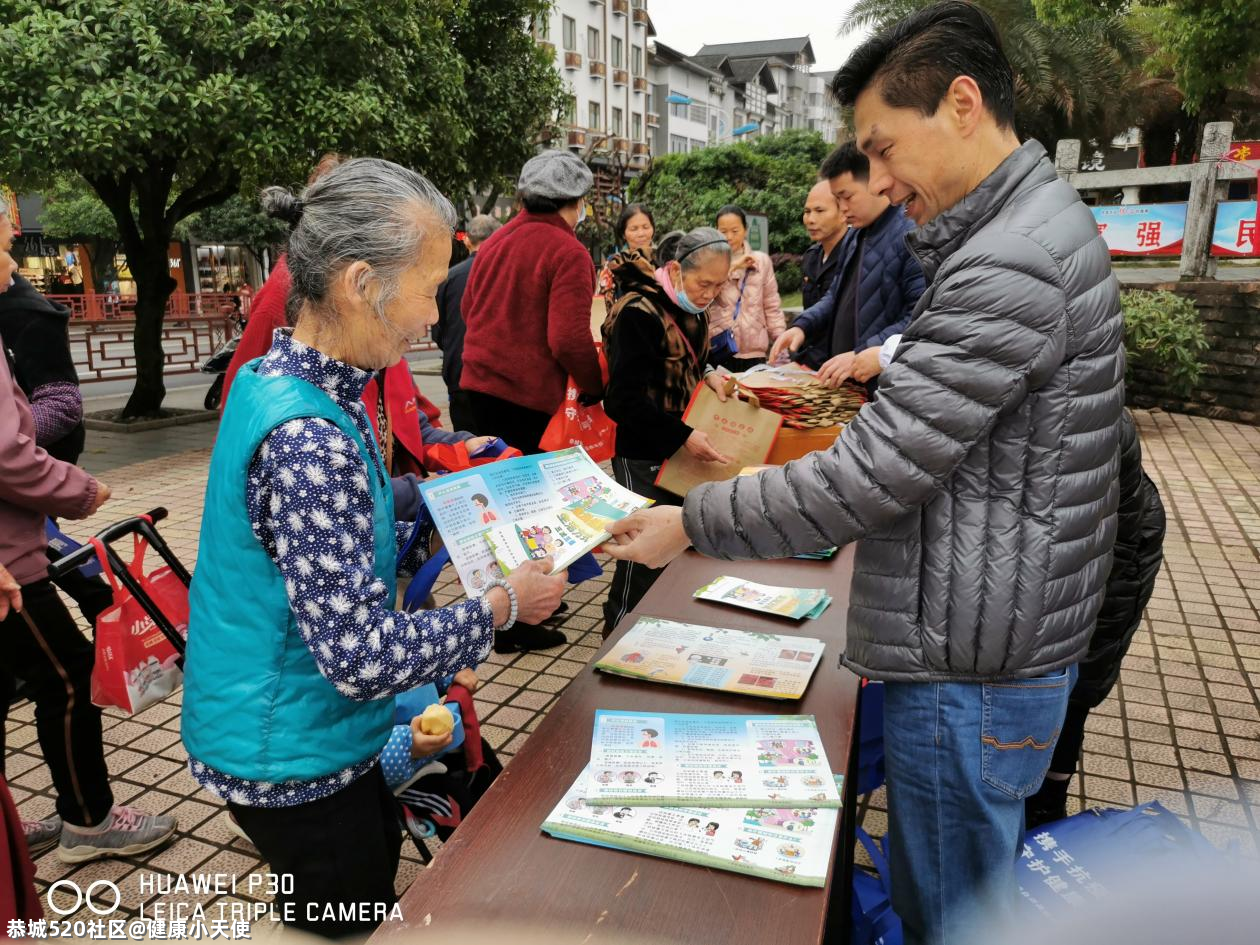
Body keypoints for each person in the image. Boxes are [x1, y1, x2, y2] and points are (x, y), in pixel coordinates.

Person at [603, 4, 1125, 942]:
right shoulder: (1018, 230)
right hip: (986, 633)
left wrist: (693, 520)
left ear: (962, 105)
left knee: (950, 918)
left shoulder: (1009, 260)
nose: (874, 181)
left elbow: (871, 476)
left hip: (972, 668)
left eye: (884, 150)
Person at [181, 158, 567, 940]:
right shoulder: (309, 437)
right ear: (361, 280)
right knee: (347, 911)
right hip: (290, 751)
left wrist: (433, 504)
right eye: (429, 289)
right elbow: (359, 655)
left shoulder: (285, 374)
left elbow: (317, 540)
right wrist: (501, 605)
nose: (434, 316)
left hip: (278, 720)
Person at [0, 248, 179, 865]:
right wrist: (81, 490)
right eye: (2, 245)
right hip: (7, 560)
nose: (13, 261)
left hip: (16, 539)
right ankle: (89, 821)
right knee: (69, 675)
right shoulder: (28, 318)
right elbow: (9, 453)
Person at [1025, 411, 1166, 828]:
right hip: (1084, 558)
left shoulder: (1085, 415)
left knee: (1075, 690)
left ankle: (1049, 804)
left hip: (1113, 567)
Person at [600, 229, 734, 636]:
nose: (710, 293)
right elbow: (620, 401)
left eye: (718, 285)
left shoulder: (693, 310)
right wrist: (681, 436)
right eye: (703, 283)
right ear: (675, 270)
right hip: (643, 451)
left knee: (677, 541)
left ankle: (664, 630)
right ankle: (618, 630)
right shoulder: (637, 312)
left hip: (681, 450)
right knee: (640, 552)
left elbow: (695, 360)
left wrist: (709, 375)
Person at [0, 205, 113, 626]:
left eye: (10, 244)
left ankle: (110, 613)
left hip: (31, 471)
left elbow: (63, 404)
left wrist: (18, 434)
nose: (13, 262)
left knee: (46, 551)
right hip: (23, 473)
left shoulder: (27, 312)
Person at [460, 150, 604, 453]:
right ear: (577, 201)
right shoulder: (569, 251)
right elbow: (568, 339)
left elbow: (468, 309)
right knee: (534, 492)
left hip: (478, 387)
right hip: (528, 396)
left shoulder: (495, 241)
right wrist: (594, 385)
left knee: (500, 481)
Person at [770, 142, 925, 386]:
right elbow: (835, 296)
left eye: (847, 197)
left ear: (875, 180)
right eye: (837, 199)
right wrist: (803, 326)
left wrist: (862, 354)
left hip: (883, 384)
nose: (843, 209)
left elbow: (919, 318)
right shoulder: (855, 235)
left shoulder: (911, 235)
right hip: (849, 382)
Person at [435, 214, 502, 432]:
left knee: (469, 448)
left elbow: (439, 332)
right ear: (499, 237)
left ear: (467, 241)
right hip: (500, 379)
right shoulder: (507, 273)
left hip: (459, 374)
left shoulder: (449, 277)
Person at [705, 205, 784, 372]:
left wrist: (780, 339)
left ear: (745, 230)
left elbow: (771, 305)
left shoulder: (761, 261)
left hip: (754, 351)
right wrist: (733, 266)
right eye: (723, 231)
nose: (729, 237)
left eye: (735, 231)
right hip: (720, 348)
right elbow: (705, 296)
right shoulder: (709, 262)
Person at [800, 180, 848, 310]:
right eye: (807, 211)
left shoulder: (857, 254)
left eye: (819, 211)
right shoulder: (810, 257)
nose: (810, 220)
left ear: (843, 212)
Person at [598, 202, 656, 308]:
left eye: (646, 227)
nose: (641, 234)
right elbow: (610, 307)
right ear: (624, 234)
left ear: (653, 229)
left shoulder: (663, 260)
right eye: (634, 229)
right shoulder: (613, 264)